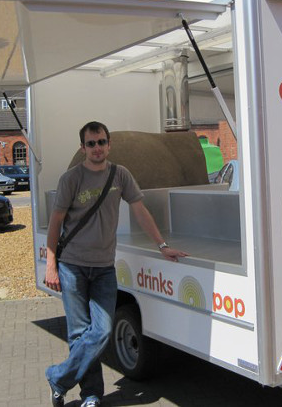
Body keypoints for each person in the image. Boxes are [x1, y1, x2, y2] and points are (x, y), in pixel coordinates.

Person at [44, 121, 187, 407]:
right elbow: (55, 222)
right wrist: (51, 264)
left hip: (104, 269)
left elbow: (140, 210)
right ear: (83, 147)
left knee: (102, 331)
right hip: (72, 266)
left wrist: (161, 245)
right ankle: (92, 395)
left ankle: (58, 377)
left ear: (109, 145)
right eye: (91, 143)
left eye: (101, 142)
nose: (97, 148)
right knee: (79, 333)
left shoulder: (120, 175)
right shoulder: (71, 179)